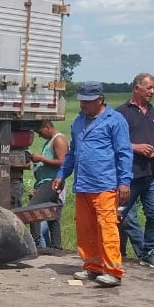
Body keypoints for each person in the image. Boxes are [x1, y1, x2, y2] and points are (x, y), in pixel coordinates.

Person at [52, 81, 132, 287]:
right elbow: (72, 153)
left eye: (87, 102)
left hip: (105, 184)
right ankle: (92, 267)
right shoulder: (78, 122)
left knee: (107, 227)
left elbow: (124, 153)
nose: (83, 105)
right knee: (85, 228)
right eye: (81, 101)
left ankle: (113, 270)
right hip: (83, 184)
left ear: (100, 100)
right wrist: (62, 175)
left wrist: (124, 182)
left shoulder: (115, 121)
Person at [116, 73, 154, 268]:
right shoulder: (121, 112)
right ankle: (111, 251)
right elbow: (112, 141)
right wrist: (135, 147)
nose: (153, 92)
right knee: (118, 214)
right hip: (129, 174)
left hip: (152, 173)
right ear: (137, 88)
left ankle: (149, 252)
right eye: (149, 88)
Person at [28, 120, 68, 249]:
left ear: (47, 127)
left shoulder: (59, 139)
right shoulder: (49, 141)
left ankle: (36, 242)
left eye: (40, 132)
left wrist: (41, 158)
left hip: (52, 181)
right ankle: (56, 246)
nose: (40, 136)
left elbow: (63, 162)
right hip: (45, 182)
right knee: (52, 213)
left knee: (32, 207)